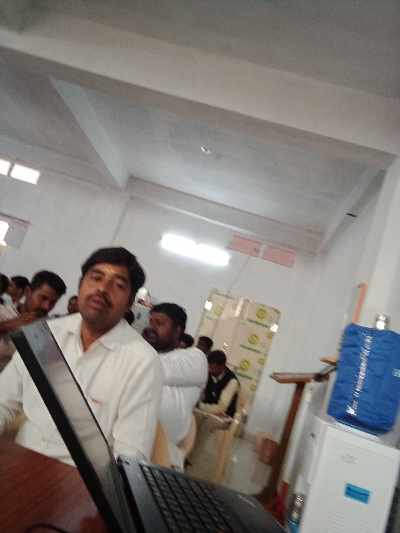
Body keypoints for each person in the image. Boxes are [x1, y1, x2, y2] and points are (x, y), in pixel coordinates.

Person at [0, 247, 162, 464]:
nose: (102, 288)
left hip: (79, 476)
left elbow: (130, 456)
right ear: (81, 284)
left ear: (129, 302)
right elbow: (3, 401)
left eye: (118, 285)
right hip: (22, 458)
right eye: (96, 277)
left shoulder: (143, 361)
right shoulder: (45, 335)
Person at [143, 303, 207, 467]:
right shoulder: (148, 354)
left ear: (177, 330)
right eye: (151, 322)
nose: (151, 328)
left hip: (161, 455)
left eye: (159, 323)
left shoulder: (195, 358)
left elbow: (152, 369)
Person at [0, 271, 67, 371]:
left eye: (52, 303)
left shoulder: (51, 327)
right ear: (28, 292)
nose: (46, 307)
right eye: (43, 298)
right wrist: (11, 324)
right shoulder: (2, 312)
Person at [199, 350, 239, 418]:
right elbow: (201, 393)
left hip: (223, 418)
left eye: (212, 368)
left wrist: (200, 406)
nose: (209, 370)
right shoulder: (208, 374)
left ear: (222, 366)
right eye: (208, 367)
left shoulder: (232, 381)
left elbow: (221, 408)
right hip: (205, 414)